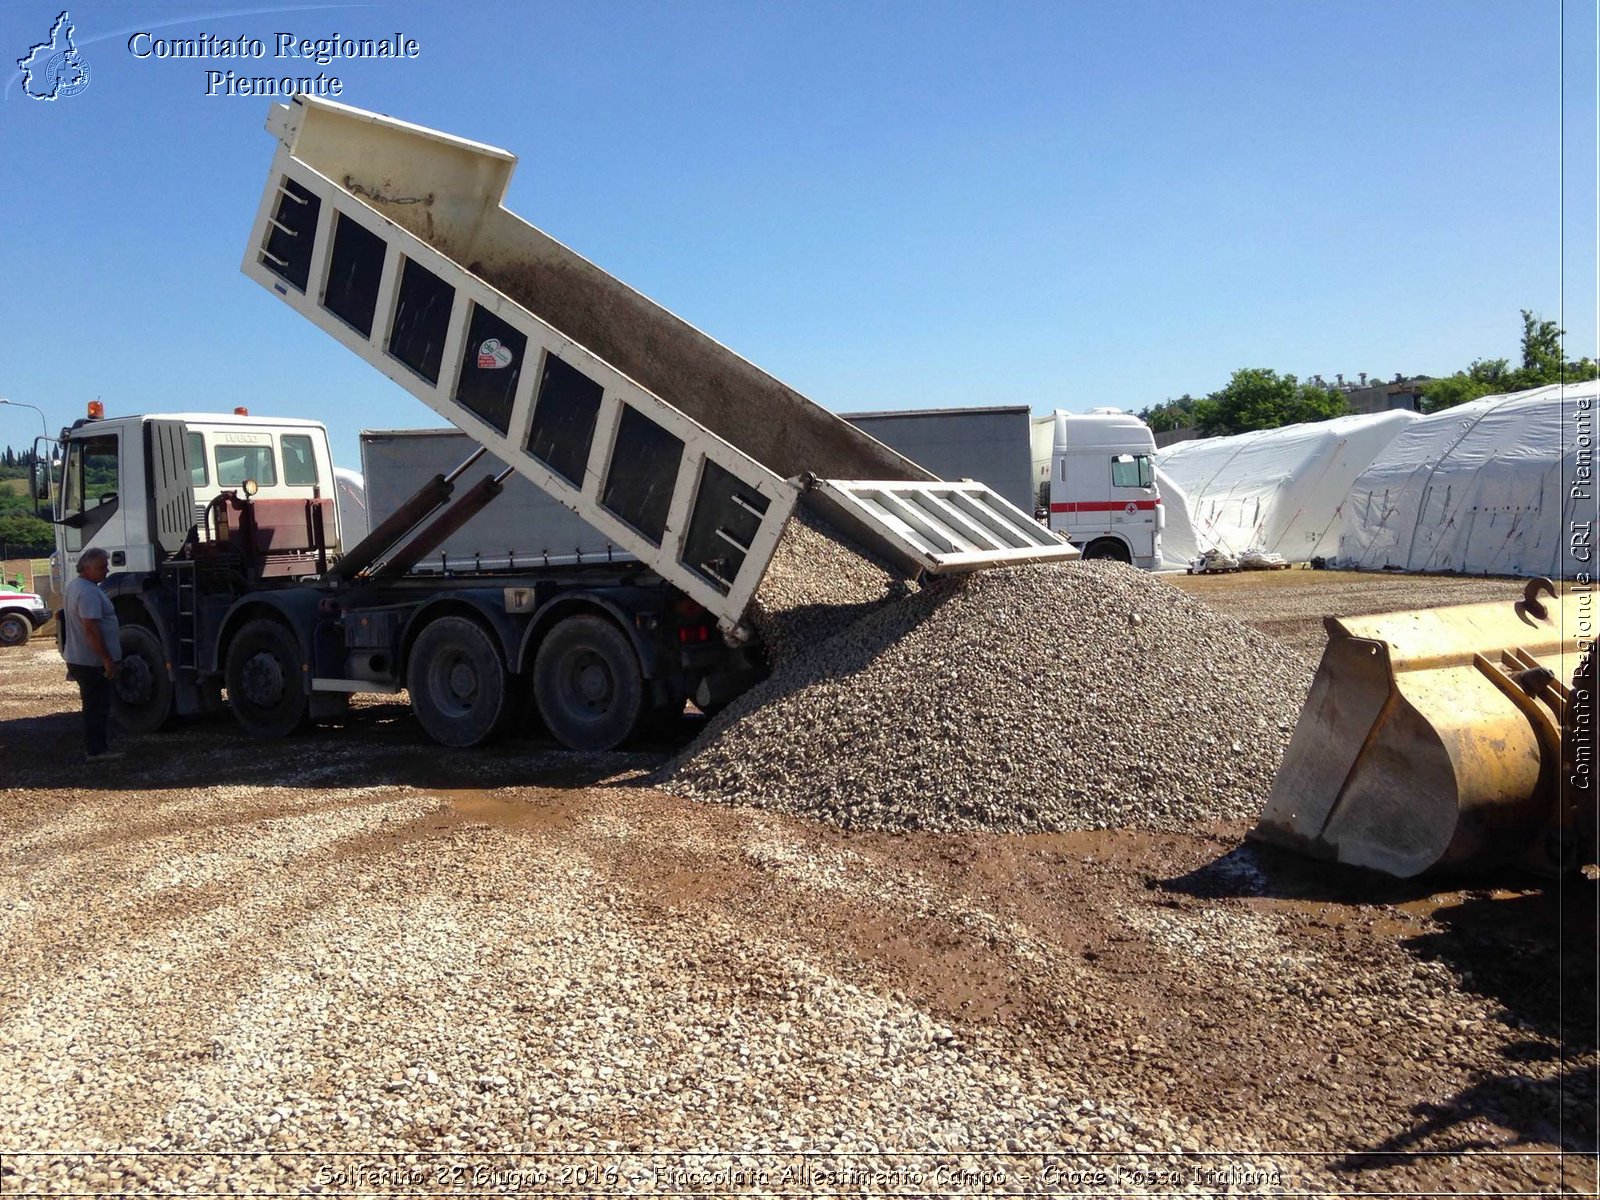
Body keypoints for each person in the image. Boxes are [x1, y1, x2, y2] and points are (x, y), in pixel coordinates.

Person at [63, 547, 124, 762]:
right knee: (97, 706)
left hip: (80, 658)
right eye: (101, 567)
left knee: (93, 705)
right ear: (87, 568)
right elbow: (91, 628)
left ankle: (96, 748)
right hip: (91, 662)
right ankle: (97, 750)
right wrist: (107, 659)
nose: (106, 571)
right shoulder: (88, 592)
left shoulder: (74, 586)